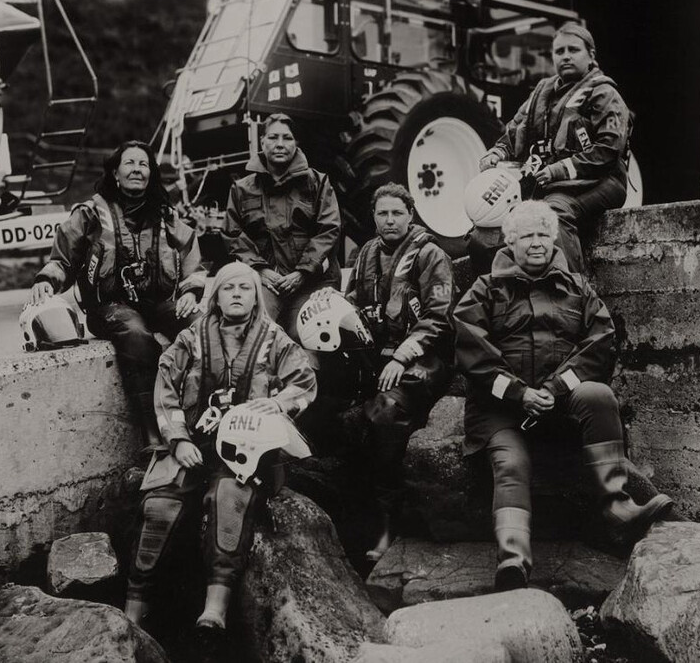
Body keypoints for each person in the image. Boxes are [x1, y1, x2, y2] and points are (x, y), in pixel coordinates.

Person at [453, 201, 672, 591]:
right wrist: (519, 393)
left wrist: (555, 389)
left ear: (553, 239)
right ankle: (513, 559)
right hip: (500, 411)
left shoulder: (578, 288)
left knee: (598, 395)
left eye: (543, 234)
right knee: (511, 463)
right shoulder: (485, 290)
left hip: (558, 403)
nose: (537, 243)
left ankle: (618, 508)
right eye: (527, 236)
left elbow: (600, 345)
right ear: (510, 242)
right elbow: (473, 355)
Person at [124, 260, 317, 650]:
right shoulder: (191, 338)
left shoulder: (274, 338)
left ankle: (216, 607)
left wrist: (278, 403)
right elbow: (166, 388)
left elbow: (304, 379)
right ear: (216, 296)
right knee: (160, 507)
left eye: (245, 288)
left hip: (245, 449)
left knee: (229, 499)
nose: (237, 295)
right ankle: (132, 610)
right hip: (193, 444)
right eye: (228, 288)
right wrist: (178, 440)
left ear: (256, 296)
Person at [30, 140, 206, 443]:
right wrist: (46, 280)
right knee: (137, 335)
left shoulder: (165, 214)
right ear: (115, 172)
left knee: (201, 325)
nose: (137, 169)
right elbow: (62, 259)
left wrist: (190, 291)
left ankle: (208, 417)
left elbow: (190, 252)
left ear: (151, 173)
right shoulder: (89, 215)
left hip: (158, 303)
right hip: (110, 307)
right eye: (130, 163)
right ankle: (153, 432)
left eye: (143, 164)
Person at [344, 183, 455, 562]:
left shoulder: (430, 254)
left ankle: (390, 524)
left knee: (385, 413)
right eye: (382, 213)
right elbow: (353, 301)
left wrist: (402, 356)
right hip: (378, 356)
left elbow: (439, 317)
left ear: (410, 214)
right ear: (374, 217)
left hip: (426, 359)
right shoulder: (366, 253)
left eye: (397, 213)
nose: (389, 220)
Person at [476, 22, 632, 273]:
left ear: (591, 55)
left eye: (573, 50)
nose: (566, 56)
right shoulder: (542, 92)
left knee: (552, 214)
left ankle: (572, 289)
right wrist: (497, 153)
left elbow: (608, 150)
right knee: (487, 226)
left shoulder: (604, 93)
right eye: (559, 51)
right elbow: (515, 131)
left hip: (600, 180)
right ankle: (500, 292)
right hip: (546, 182)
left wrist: (558, 170)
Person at [224, 113, 342, 349]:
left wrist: (302, 272)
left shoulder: (318, 183)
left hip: (313, 283)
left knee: (306, 335)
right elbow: (233, 233)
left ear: (296, 143)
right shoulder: (242, 189)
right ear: (262, 142)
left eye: (287, 138)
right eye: (273, 137)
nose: (280, 144)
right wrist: (261, 270)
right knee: (253, 331)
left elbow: (328, 229)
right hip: (268, 283)